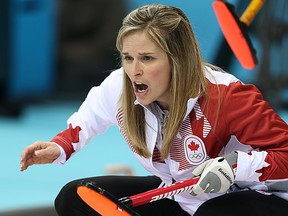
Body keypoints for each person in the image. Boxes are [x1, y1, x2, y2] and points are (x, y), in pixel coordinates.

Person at [20, 4, 288, 216]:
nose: (134, 70)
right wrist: (59, 147)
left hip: (256, 198)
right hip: (181, 197)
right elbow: (85, 122)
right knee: (74, 197)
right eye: (128, 57)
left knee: (214, 211)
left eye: (147, 58)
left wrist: (235, 166)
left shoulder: (229, 96)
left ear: (178, 61)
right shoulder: (120, 86)